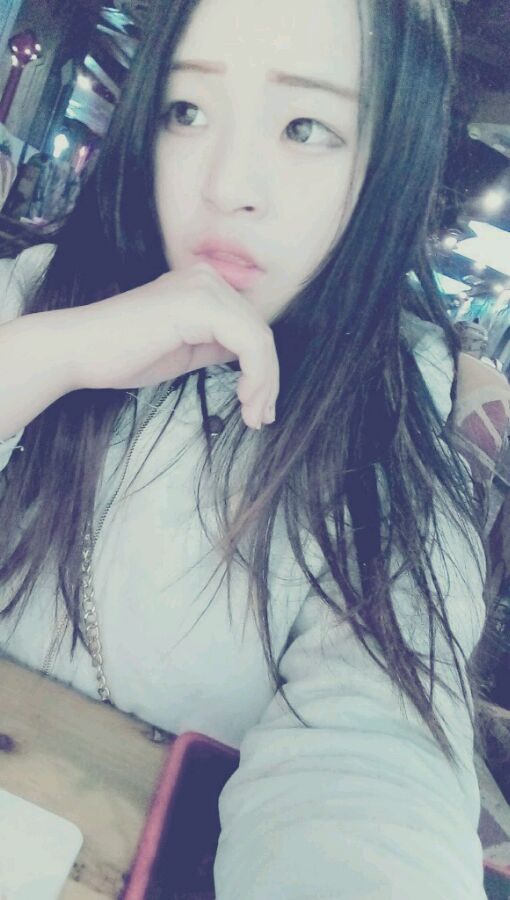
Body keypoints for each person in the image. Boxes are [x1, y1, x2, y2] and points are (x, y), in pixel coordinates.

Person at [0, 0, 489, 897]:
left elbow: (370, 771)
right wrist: (46, 359)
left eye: (304, 127)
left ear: (391, 164)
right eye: (186, 110)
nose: (226, 185)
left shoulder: (391, 459)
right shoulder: (34, 299)